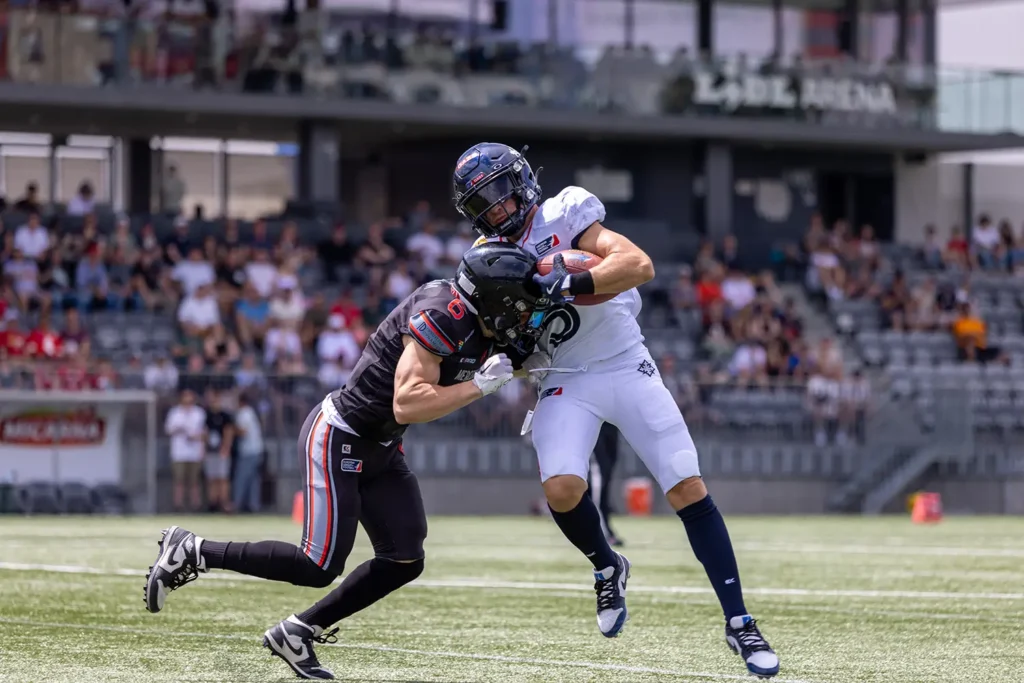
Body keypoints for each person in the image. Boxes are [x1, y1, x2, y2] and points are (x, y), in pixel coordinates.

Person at [143, 242, 550, 680]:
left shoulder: (475, 317)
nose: (524, 315)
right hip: (341, 435)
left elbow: (497, 351)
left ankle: (298, 632)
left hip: (381, 445)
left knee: (405, 556)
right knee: (317, 566)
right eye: (519, 306)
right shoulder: (443, 315)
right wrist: (479, 388)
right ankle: (194, 551)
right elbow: (407, 404)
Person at [453, 142, 779, 679]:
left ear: (521, 183)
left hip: (625, 360)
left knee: (684, 481)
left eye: (499, 197)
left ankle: (739, 620)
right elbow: (498, 330)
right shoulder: (486, 258)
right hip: (563, 375)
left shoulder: (566, 213)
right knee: (561, 486)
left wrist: (569, 281)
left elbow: (638, 264)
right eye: (482, 206)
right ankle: (608, 565)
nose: (496, 212)